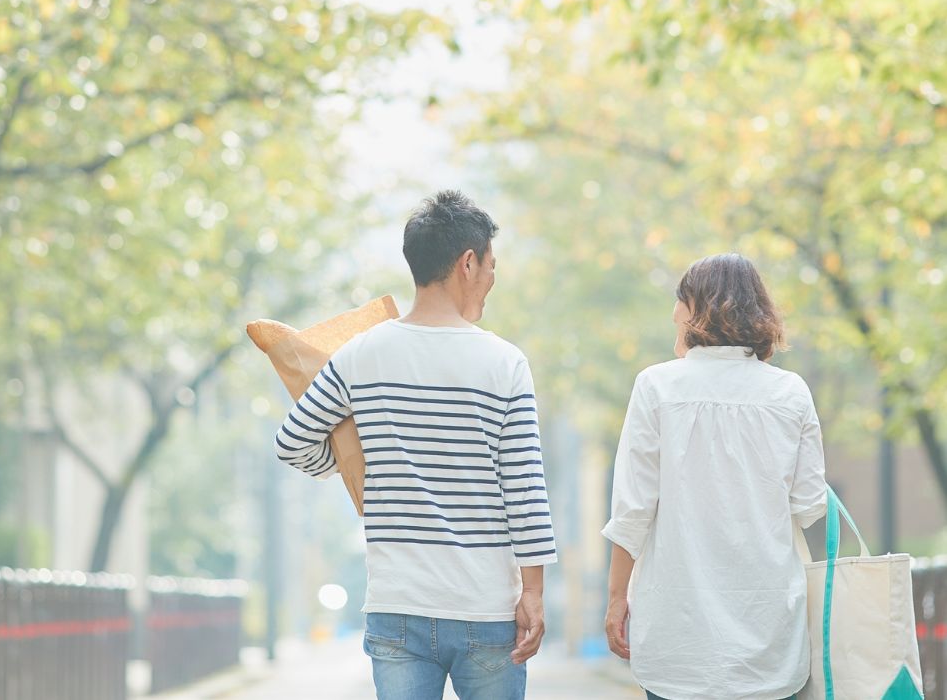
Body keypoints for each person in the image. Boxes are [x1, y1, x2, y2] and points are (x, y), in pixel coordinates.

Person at [274, 190, 556, 700]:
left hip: (397, 606)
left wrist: (352, 462)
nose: (492, 279)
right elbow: (525, 490)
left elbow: (293, 442)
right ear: (468, 263)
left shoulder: (360, 354)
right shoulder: (505, 363)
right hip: (485, 607)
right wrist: (532, 593)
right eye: (491, 266)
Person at [601, 253, 828, 700]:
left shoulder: (656, 387)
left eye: (680, 301)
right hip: (768, 637)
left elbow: (632, 511)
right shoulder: (791, 393)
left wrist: (615, 599)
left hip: (678, 639)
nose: (673, 313)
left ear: (699, 310)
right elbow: (809, 505)